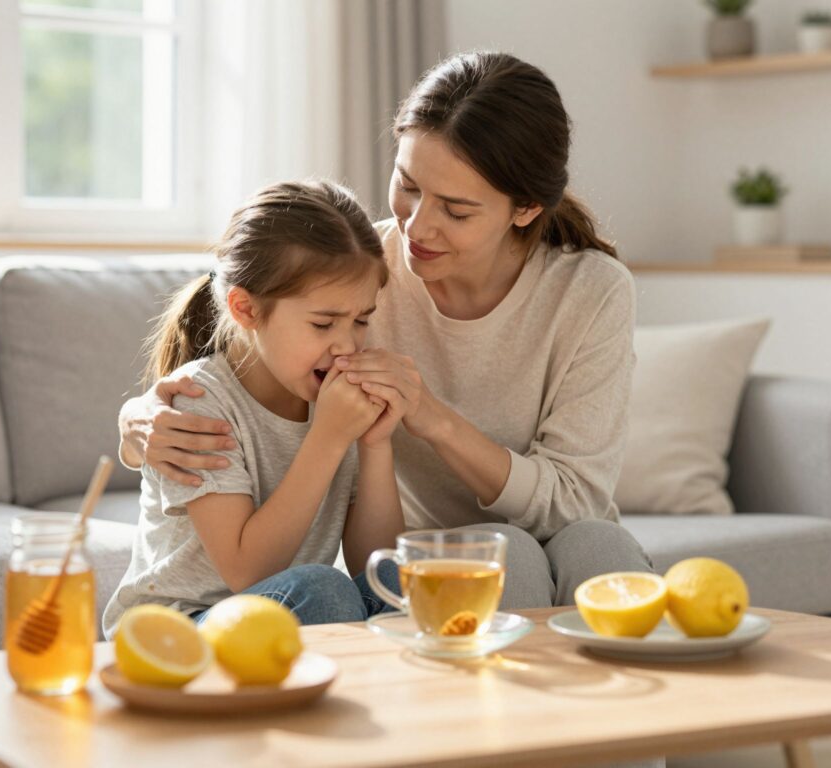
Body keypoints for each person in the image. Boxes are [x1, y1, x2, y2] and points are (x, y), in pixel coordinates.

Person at [117, 51, 653, 613]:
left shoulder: (592, 291)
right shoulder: (362, 272)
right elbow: (237, 329)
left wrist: (433, 420)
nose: (418, 226)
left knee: (599, 544)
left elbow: (577, 501)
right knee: (503, 553)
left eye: (457, 210)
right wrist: (136, 422)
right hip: (424, 556)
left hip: (557, 532)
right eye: (408, 184)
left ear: (523, 209)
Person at [103, 180, 407, 638]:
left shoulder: (328, 396)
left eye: (361, 320)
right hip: (176, 631)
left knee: (405, 580)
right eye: (323, 323)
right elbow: (247, 572)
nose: (347, 344)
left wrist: (376, 443)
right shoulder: (201, 403)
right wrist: (328, 437)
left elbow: (375, 564)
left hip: (277, 619)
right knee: (324, 592)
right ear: (245, 310)